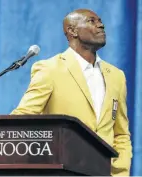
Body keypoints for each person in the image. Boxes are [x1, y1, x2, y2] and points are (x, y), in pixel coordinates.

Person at [11, 9, 132, 176]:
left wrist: (121, 172)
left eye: (100, 21)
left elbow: (121, 133)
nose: (101, 25)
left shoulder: (117, 76)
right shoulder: (50, 69)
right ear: (72, 30)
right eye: (92, 21)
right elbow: (23, 117)